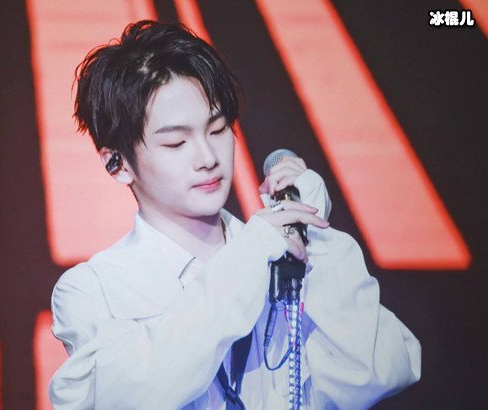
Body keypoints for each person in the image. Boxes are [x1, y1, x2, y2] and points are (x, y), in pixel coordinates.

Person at [49, 20, 421, 409]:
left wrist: (311, 236)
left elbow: (382, 371)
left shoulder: (280, 255)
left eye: (217, 129)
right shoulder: (95, 289)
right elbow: (129, 394)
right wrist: (248, 257)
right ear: (117, 163)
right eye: (176, 142)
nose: (207, 158)